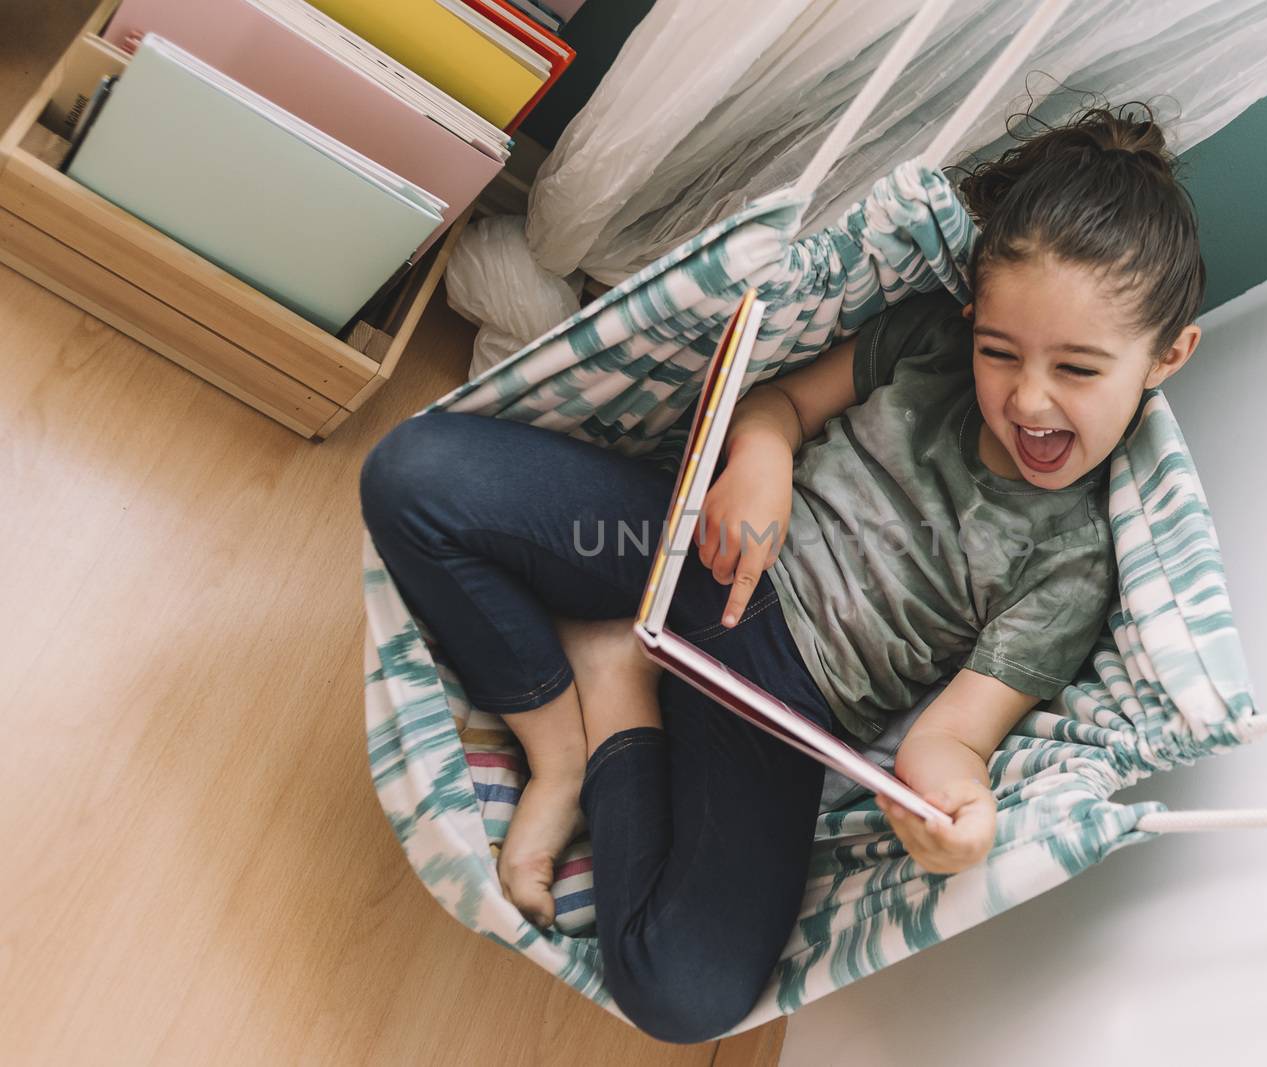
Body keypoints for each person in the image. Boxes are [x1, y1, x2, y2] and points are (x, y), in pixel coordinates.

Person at [358, 99, 1205, 1044]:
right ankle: (558, 745)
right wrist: (760, 453)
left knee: (684, 994)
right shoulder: (927, 341)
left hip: (780, 704)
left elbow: (951, 741)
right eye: (999, 351)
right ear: (971, 316)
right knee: (412, 475)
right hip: (691, 557)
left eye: (1079, 371)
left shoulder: (1072, 565)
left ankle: (618, 687)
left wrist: (957, 818)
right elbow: (780, 403)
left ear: (1168, 355)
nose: (1028, 397)